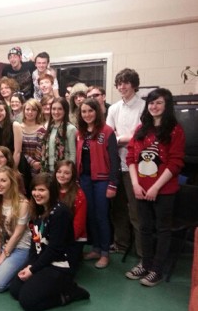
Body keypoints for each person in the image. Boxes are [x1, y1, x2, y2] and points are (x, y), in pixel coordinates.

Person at [125, 88, 185, 286]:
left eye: (159, 102)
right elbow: (131, 158)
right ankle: (146, 263)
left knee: (162, 229)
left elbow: (175, 163)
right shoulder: (141, 130)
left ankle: (157, 269)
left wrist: (156, 188)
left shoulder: (175, 130)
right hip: (141, 189)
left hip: (163, 190)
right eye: (151, 103)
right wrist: (135, 184)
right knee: (144, 228)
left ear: (167, 106)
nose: (154, 106)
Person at [10, 173, 89, 311]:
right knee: (15, 290)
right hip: (43, 260)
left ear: (51, 191)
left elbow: (55, 249)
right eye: (34, 189)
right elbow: (35, 242)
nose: (36, 193)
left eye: (42, 190)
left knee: (27, 302)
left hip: (60, 264)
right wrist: (31, 264)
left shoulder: (60, 213)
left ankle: (69, 293)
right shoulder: (37, 211)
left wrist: (33, 270)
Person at [76, 98, 120, 269]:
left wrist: (113, 184)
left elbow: (114, 160)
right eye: (84, 111)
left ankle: (104, 253)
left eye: (90, 111)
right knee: (90, 215)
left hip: (102, 180)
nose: (87, 114)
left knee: (102, 216)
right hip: (84, 179)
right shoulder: (80, 132)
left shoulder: (107, 131)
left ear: (97, 111)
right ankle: (95, 248)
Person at [106, 68, 145, 255]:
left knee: (136, 212)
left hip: (137, 167)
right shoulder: (114, 109)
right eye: (119, 83)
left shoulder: (144, 106)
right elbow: (108, 135)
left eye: (126, 82)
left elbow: (142, 135)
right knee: (118, 208)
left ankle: (141, 252)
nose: (122, 86)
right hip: (116, 165)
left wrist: (120, 138)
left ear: (134, 84)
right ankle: (121, 245)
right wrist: (124, 138)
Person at [52, 160, 87, 266]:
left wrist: (62, 241)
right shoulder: (51, 190)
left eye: (67, 173)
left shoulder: (79, 195)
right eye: (59, 172)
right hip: (54, 235)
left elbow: (78, 225)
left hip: (73, 238)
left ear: (73, 175)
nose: (62, 175)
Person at [40, 97, 77, 173]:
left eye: (60, 109)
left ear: (65, 111)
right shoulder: (50, 127)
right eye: (53, 109)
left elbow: (73, 153)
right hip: (47, 170)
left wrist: (69, 171)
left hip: (63, 171)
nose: (56, 112)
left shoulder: (70, 129)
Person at [0, 100, 23, 168]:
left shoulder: (15, 125)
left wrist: (12, 171)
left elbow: (17, 152)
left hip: (16, 165)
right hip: (1, 166)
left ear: (6, 111)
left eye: (1, 110)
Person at [20, 99, 45, 176]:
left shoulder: (43, 129)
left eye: (33, 110)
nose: (30, 112)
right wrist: (31, 162)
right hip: (22, 166)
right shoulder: (17, 127)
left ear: (38, 112)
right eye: (27, 109)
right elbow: (18, 150)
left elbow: (43, 151)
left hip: (38, 168)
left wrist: (37, 164)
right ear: (24, 111)